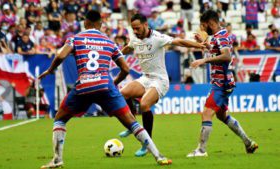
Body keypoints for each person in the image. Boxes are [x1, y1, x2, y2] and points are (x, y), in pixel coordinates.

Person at [39, 10, 172, 169]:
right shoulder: (109, 42)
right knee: (132, 122)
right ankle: (159, 156)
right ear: (101, 25)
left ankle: (57, 160)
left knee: (60, 119)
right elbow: (126, 69)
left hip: (84, 85)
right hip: (105, 86)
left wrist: (51, 70)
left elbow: (61, 56)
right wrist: (114, 83)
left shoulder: (75, 38)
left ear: (85, 23)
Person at [117, 13, 205, 157]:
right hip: (146, 78)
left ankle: (147, 144)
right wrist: (116, 54)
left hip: (160, 80)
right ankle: (131, 124)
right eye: (133, 28)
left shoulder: (157, 38)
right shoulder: (135, 39)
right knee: (123, 93)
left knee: (144, 104)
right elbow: (128, 47)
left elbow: (179, 42)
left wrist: (199, 45)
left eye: (138, 28)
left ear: (146, 25)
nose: (135, 31)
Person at [186, 10, 258, 157]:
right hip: (222, 81)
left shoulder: (222, 36)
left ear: (211, 23)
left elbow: (226, 56)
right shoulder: (220, 36)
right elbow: (218, 51)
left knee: (206, 113)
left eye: (204, 25)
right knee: (222, 115)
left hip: (221, 82)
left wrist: (204, 60)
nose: (203, 28)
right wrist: (206, 45)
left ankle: (201, 150)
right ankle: (248, 143)